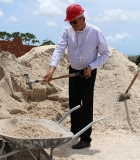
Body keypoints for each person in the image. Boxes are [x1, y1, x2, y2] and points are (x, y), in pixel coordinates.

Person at [43, 4, 110, 149]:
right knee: (73, 103)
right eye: (70, 22)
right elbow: (59, 49)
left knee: (86, 105)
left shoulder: (95, 32)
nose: (72, 25)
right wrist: (52, 69)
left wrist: (91, 66)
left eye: (74, 21)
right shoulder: (67, 32)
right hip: (73, 71)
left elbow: (105, 54)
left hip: (88, 73)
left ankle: (85, 138)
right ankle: (74, 132)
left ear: (83, 19)